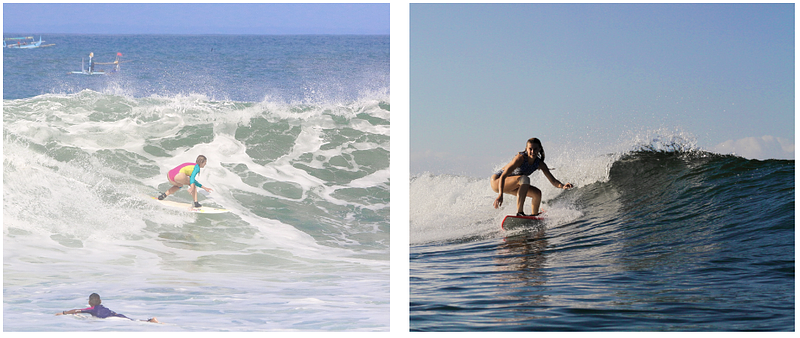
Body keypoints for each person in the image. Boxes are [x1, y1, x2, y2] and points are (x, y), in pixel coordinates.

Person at [491, 138, 573, 216]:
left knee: (537, 193)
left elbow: (553, 181)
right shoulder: (520, 158)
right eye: (530, 149)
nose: (532, 151)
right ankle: (520, 212)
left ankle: (534, 216)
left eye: (535, 149)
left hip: (513, 184)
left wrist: (563, 186)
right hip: (497, 181)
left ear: (539, 149)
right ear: (526, 149)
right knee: (524, 179)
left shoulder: (539, 163)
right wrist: (500, 195)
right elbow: (503, 176)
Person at [56, 293, 159, 323]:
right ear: (100, 301)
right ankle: (150, 320)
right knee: (134, 321)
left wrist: (64, 313)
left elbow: (76, 310)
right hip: (117, 315)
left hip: (111, 319)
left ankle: (150, 321)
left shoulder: (91, 309)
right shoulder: (103, 307)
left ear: (89, 302)